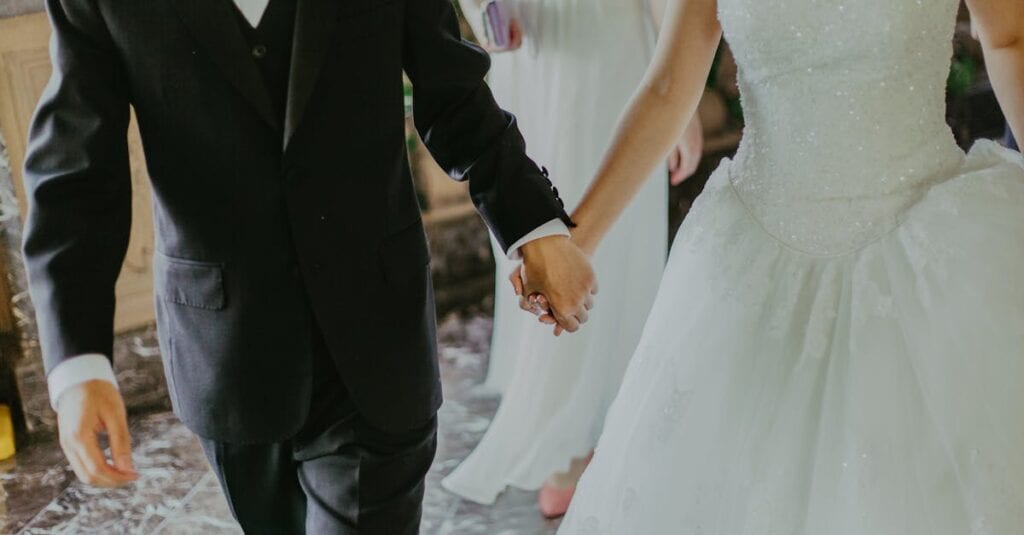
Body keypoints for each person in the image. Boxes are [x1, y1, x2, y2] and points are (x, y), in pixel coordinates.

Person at [20, 0, 599, 532]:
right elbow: (77, 173)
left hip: (376, 337)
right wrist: (77, 364)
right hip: (226, 353)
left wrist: (533, 227)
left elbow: (453, 93)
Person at [524, 0, 1024, 532]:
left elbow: (1008, 38)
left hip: (930, 257)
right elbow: (669, 87)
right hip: (752, 267)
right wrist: (574, 242)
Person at [442, 0, 703, 518]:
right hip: (579, 48)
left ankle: (580, 428)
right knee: (588, 230)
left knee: (565, 224)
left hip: (542, 51)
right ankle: (582, 435)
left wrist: (484, 11)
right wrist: (683, 93)